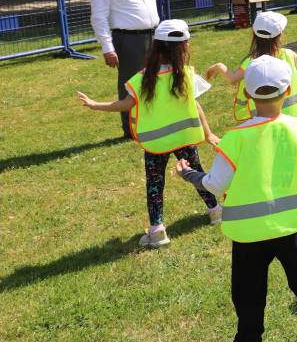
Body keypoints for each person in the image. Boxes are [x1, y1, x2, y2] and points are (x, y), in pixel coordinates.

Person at [175, 55, 297, 342]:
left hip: (248, 233)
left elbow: (215, 184)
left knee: (248, 291)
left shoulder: (235, 138)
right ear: (288, 91)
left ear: (247, 94)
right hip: (291, 225)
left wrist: (189, 174)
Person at [76, 19, 220, 247]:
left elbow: (124, 105)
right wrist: (208, 133)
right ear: (185, 47)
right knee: (196, 173)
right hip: (184, 138)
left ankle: (158, 231)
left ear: (155, 47)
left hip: (155, 143)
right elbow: (196, 106)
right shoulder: (186, 74)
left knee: (155, 184)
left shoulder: (142, 79)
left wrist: (95, 105)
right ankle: (215, 211)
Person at [90, 0, 176, 138]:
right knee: (132, 85)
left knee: (159, 78)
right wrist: (107, 48)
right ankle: (132, 129)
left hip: (155, 37)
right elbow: (99, 18)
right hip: (128, 40)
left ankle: (156, 119)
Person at [205, 12, 297, 122]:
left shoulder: (250, 62)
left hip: (263, 118)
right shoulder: (289, 55)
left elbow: (233, 79)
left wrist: (219, 66)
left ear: (254, 35)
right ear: (280, 35)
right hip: (292, 116)